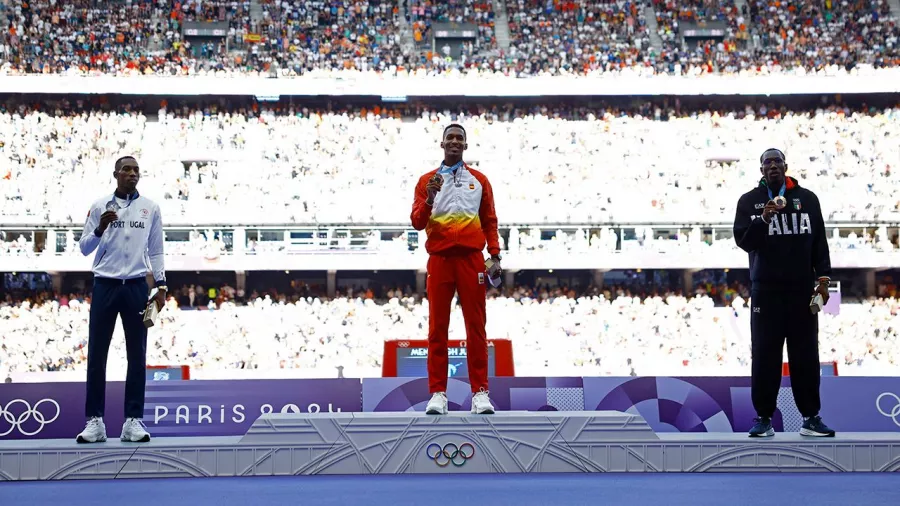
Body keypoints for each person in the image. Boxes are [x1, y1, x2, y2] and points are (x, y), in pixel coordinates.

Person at [732, 148, 835, 438]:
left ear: (786, 167)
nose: (773, 166)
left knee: (805, 355)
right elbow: (743, 241)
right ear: (761, 170)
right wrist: (763, 219)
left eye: (777, 161)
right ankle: (763, 417)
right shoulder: (749, 201)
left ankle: (811, 417)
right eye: (767, 162)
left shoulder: (808, 199)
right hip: (766, 291)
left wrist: (824, 280)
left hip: (802, 290)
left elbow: (819, 243)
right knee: (765, 356)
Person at [411, 124, 502, 415]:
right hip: (439, 261)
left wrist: (495, 255)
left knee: (476, 328)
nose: (454, 142)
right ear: (442, 144)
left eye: (459, 138)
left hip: (472, 260)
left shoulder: (480, 181)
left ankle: (480, 393)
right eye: (449, 138)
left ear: (465, 145)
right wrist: (429, 198)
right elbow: (416, 222)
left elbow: (489, 221)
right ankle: (438, 393)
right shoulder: (427, 181)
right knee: (437, 329)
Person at [76, 156, 167, 443]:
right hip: (105, 284)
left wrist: (161, 284)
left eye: (136, 170)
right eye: (126, 169)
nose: (132, 174)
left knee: (137, 356)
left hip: (137, 286)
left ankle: (133, 421)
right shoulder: (100, 205)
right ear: (115, 174)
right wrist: (100, 229)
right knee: (97, 355)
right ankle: (95, 422)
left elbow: (157, 250)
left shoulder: (150, 208)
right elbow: (83, 248)